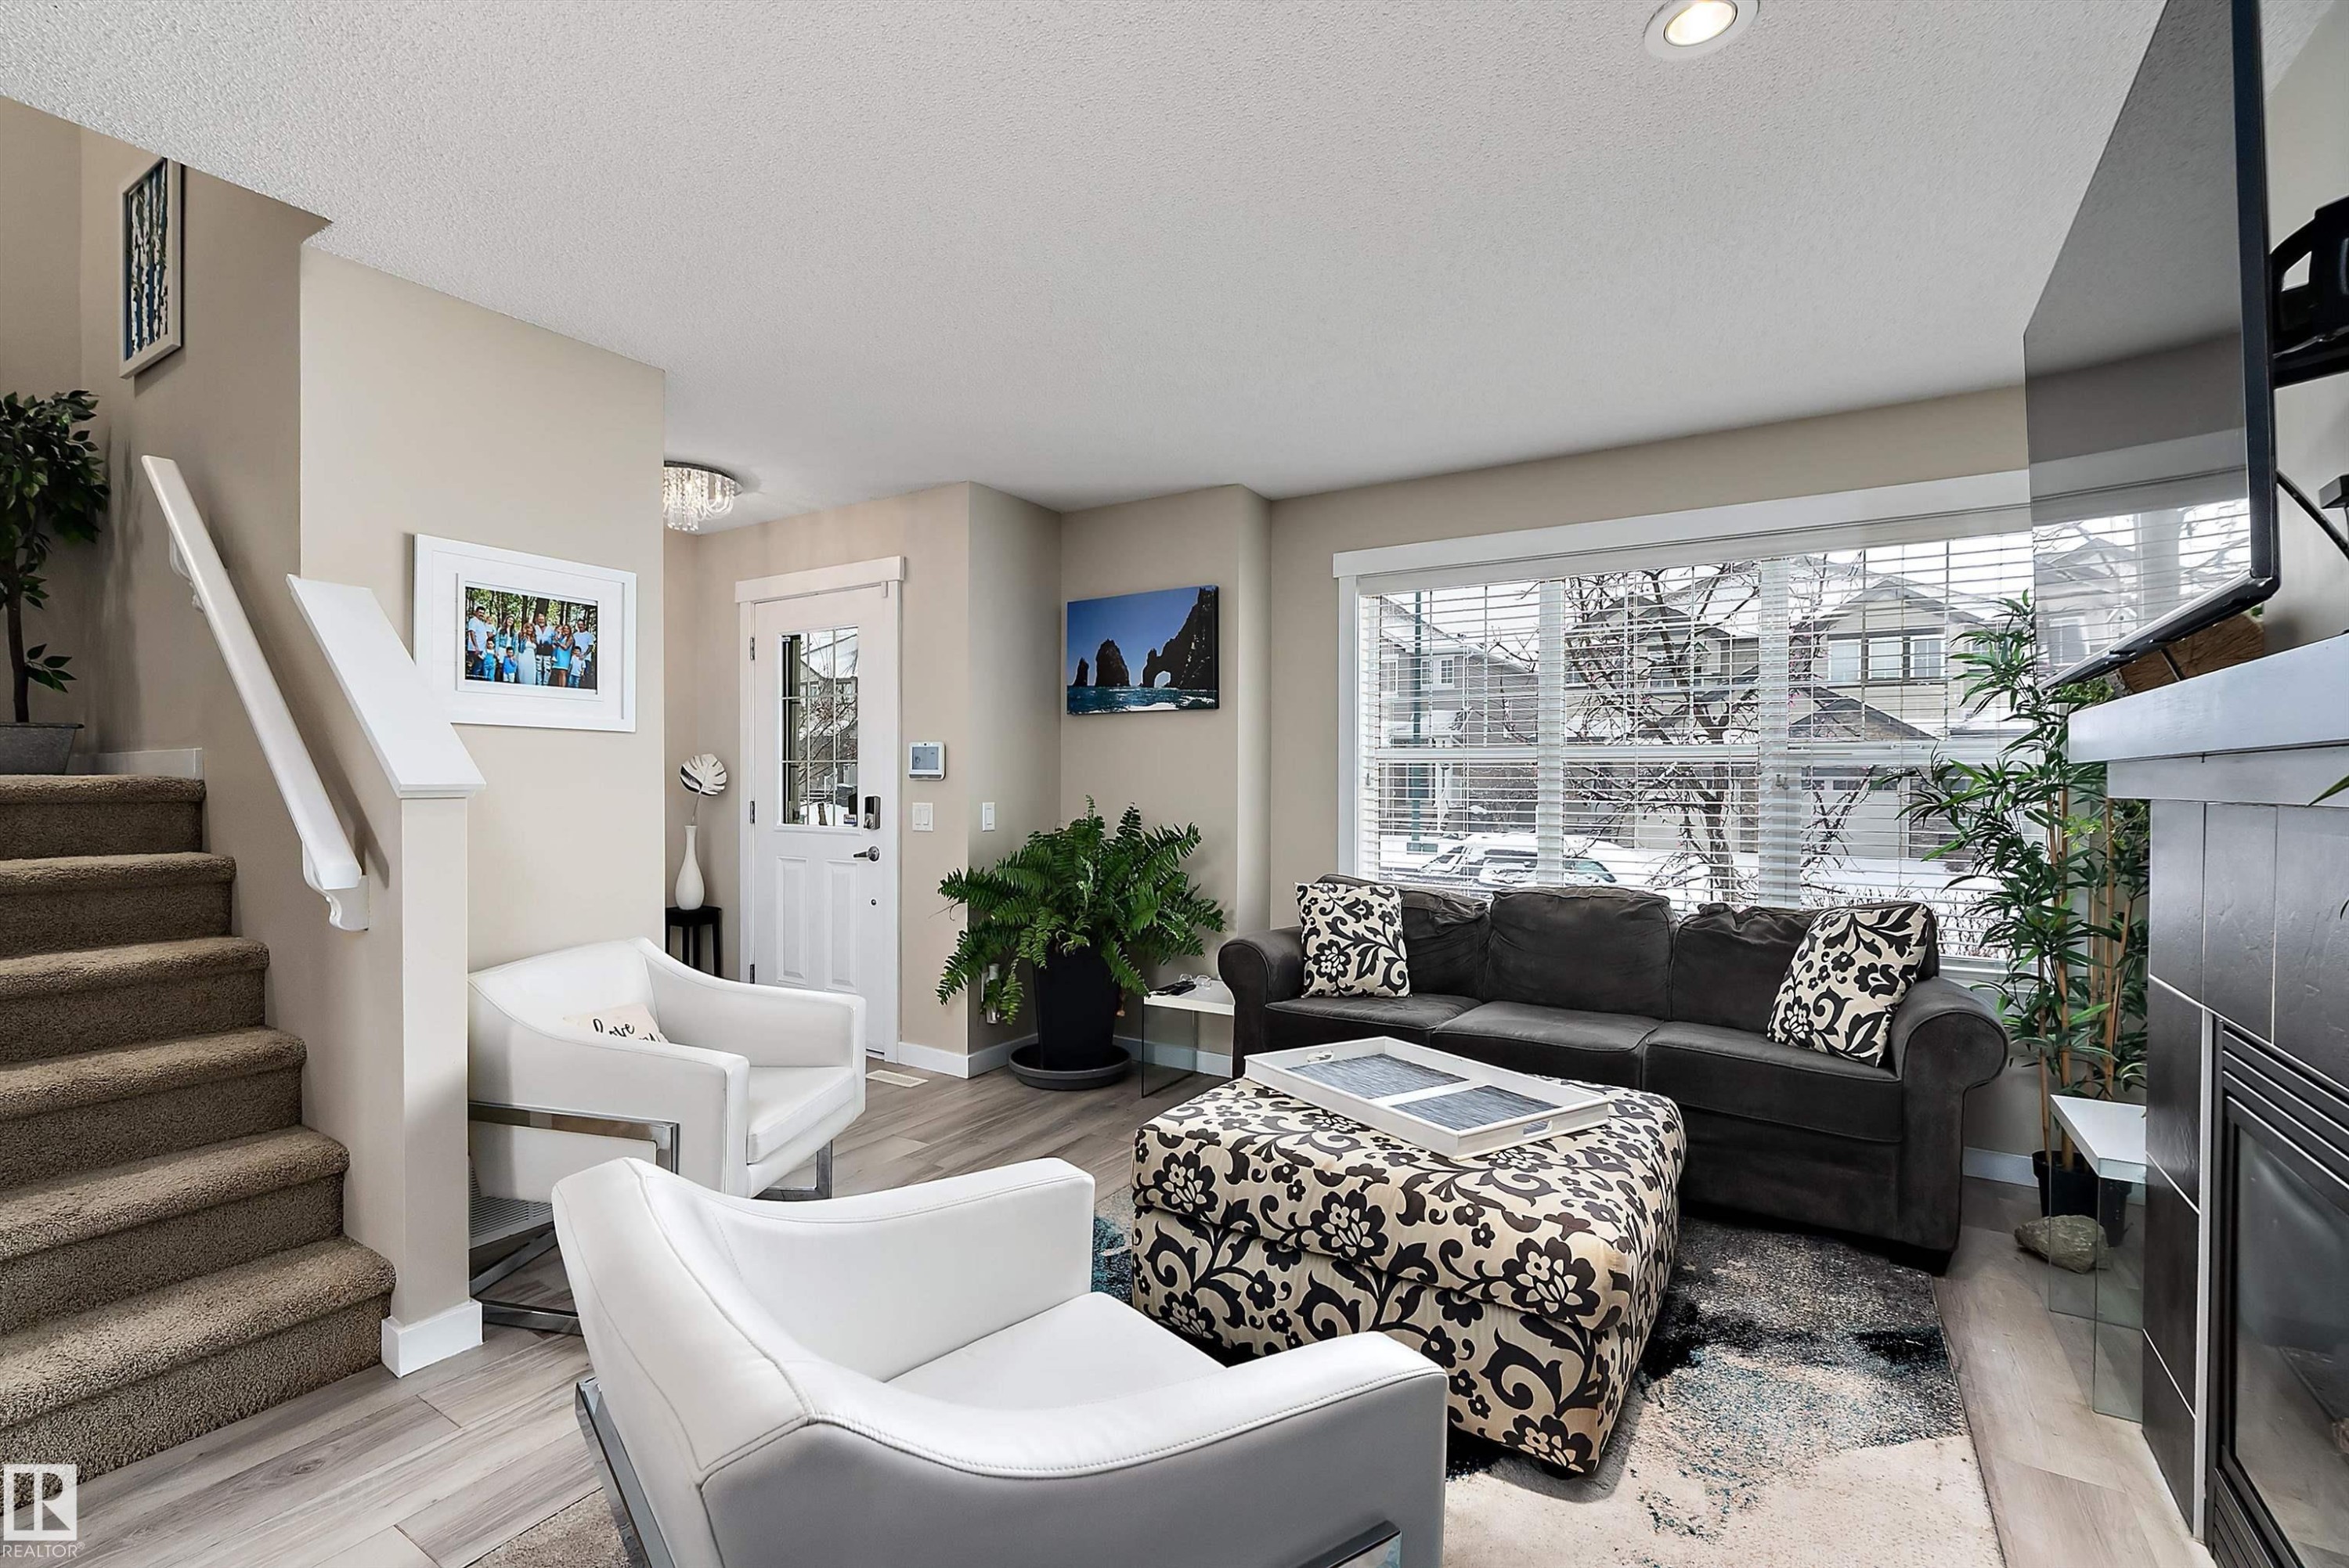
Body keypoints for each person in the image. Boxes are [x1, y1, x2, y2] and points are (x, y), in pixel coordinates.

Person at [465, 602, 493, 680]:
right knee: (476, 669)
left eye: (483, 613)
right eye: (480, 612)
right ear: (476, 612)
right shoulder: (473, 621)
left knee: (479, 668)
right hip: (475, 649)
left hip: (481, 648)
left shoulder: (481, 622)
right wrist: (476, 647)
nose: (481, 614)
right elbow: (472, 633)